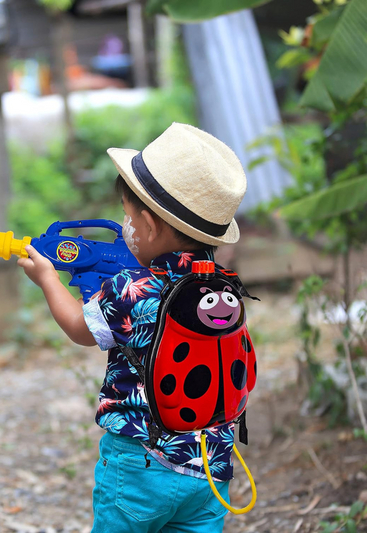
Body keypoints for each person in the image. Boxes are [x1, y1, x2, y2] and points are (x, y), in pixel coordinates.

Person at [17, 122, 248, 533]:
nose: (124, 228)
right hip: (210, 471)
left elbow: (78, 327)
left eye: (128, 218)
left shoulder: (133, 288)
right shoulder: (226, 290)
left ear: (151, 226)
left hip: (140, 465)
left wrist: (49, 280)